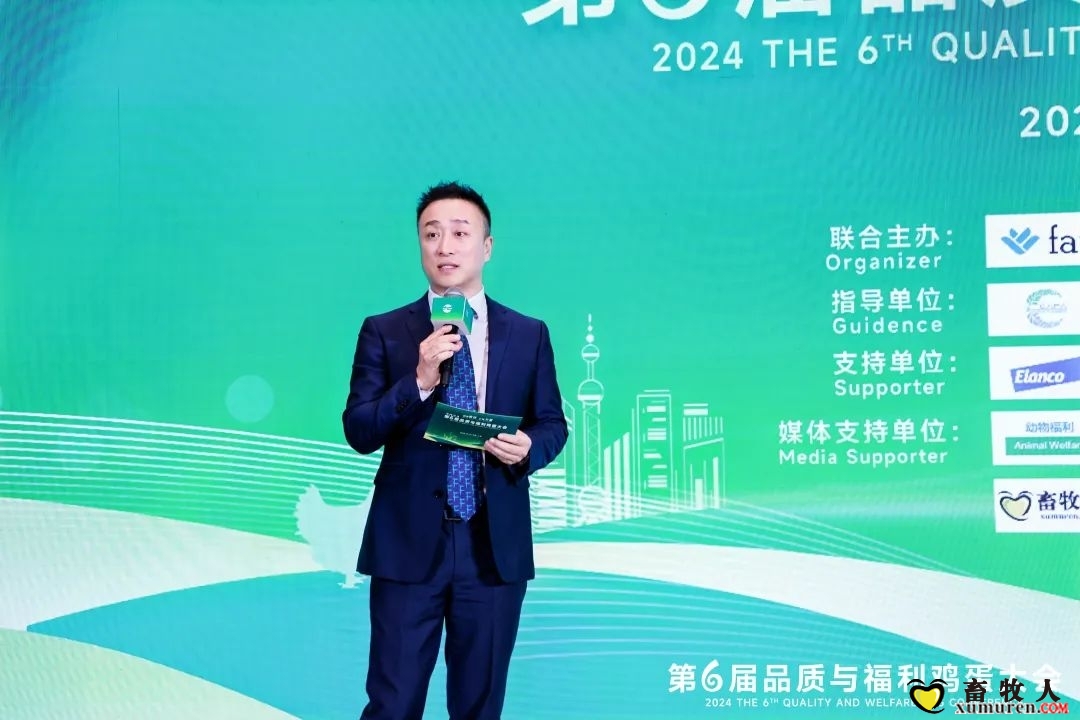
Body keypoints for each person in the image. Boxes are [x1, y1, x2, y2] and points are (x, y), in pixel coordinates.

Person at [342, 181, 569, 720]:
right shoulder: (385, 331)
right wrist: (419, 379)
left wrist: (528, 447)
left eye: (460, 234)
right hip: (407, 545)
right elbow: (359, 430)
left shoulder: (529, 334)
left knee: (479, 706)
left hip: (492, 544)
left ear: (486, 247)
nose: (445, 246)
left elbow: (553, 424)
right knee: (393, 704)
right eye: (431, 234)